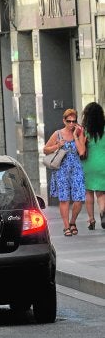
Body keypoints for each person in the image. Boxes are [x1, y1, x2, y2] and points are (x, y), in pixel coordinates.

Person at [43, 108, 86, 236]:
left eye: (74, 121)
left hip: (76, 169)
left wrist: (75, 136)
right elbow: (45, 149)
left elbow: (82, 151)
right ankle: (66, 226)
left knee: (79, 199)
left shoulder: (79, 133)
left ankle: (73, 222)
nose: (71, 124)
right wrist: (57, 146)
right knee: (64, 199)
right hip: (62, 169)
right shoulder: (58, 134)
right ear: (64, 120)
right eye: (69, 121)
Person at [79, 101, 105, 229]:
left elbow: (80, 149)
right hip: (103, 164)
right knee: (101, 193)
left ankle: (91, 220)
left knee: (88, 192)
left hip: (88, 164)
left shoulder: (84, 131)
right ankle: (103, 212)